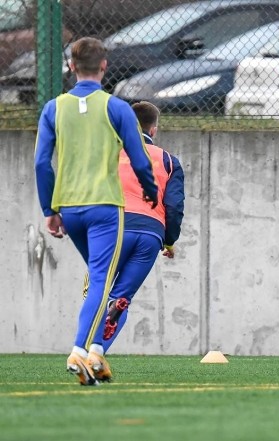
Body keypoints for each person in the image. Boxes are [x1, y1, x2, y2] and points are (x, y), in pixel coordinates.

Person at [34, 37, 158, 386]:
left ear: (71, 67)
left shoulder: (53, 108)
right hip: (105, 207)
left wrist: (49, 208)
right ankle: (80, 349)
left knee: (101, 278)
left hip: (70, 209)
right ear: (104, 66)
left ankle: (97, 354)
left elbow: (42, 163)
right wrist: (149, 191)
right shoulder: (116, 108)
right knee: (105, 282)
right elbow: (139, 159)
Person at [97, 101, 185, 366]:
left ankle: (84, 350)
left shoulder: (108, 153)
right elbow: (174, 207)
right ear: (154, 129)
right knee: (120, 299)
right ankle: (97, 355)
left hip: (114, 229)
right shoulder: (169, 160)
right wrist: (169, 240)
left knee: (96, 295)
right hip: (150, 235)